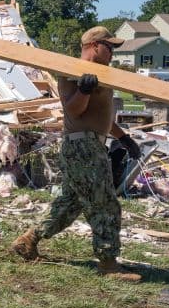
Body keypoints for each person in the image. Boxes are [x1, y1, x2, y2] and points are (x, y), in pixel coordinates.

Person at [10, 26, 143, 282]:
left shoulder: (103, 75)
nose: (113, 52)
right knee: (104, 204)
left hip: (90, 144)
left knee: (69, 204)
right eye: (109, 46)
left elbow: (101, 115)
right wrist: (83, 90)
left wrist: (124, 138)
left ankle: (28, 241)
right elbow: (74, 111)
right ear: (94, 45)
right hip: (83, 146)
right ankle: (108, 263)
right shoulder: (71, 70)